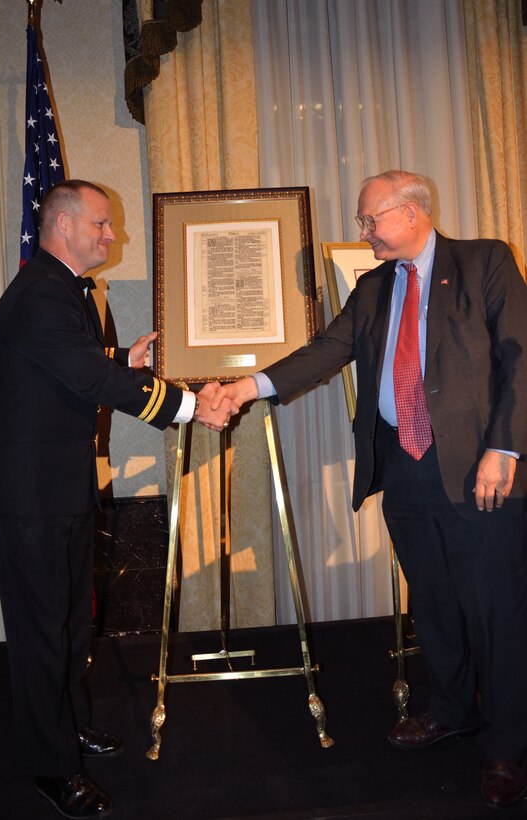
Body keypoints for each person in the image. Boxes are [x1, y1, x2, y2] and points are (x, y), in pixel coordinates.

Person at [211, 170, 527, 810]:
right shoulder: (374, 286)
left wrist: (504, 446)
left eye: (369, 218)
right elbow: (327, 350)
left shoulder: (485, 261)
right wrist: (244, 388)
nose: (363, 231)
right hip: (405, 468)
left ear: (409, 213)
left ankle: (507, 745)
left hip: (479, 471)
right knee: (434, 602)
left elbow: (522, 353)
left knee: (496, 610)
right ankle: (451, 709)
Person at [0, 180, 235, 819]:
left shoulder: (55, 291)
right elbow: (88, 377)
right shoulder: (43, 294)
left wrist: (123, 356)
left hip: (56, 488)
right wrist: (184, 404)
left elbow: (67, 366)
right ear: (63, 226)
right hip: (31, 499)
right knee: (44, 635)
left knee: (69, 629)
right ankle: (50, 768)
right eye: (99, 224)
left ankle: (65, 733)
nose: (110, 235)